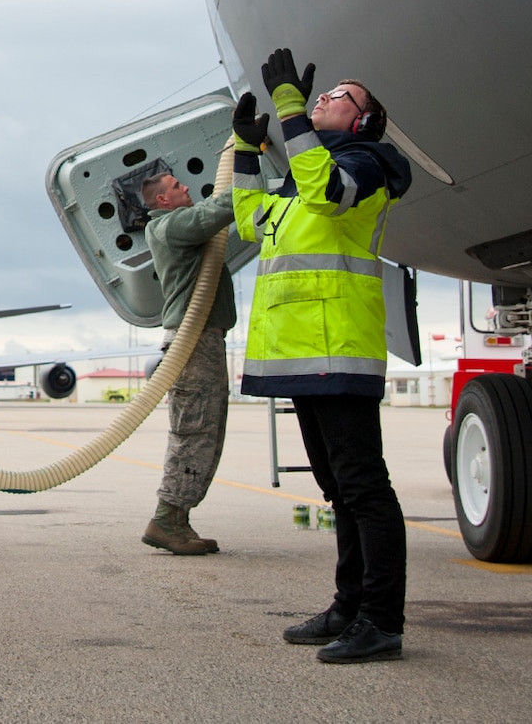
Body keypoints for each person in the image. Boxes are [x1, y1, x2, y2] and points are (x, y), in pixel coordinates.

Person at [231, 50, 413, 664]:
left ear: (362, 122)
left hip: (338, 352)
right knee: (339, 489)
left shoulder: (369, 165)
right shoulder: (302, 176)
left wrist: (288, 109)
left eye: (341, 95)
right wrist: (248, 150)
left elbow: (329, 190)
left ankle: (381, 620)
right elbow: (253, 222)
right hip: (303, 356)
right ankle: (349, 605)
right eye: (322, 93)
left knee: (365, 488)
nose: (323, 97)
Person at [138, 172, 236, 557]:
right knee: (194, 431)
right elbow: (221, 209)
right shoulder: (169, 227)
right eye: (177, 186)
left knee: (207, 431)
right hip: (191, 342)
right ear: (162, 201)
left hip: (203, 341)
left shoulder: (179, 227)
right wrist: (247, 165)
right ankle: (166, 518)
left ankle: (179, 520)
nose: (186, 188)